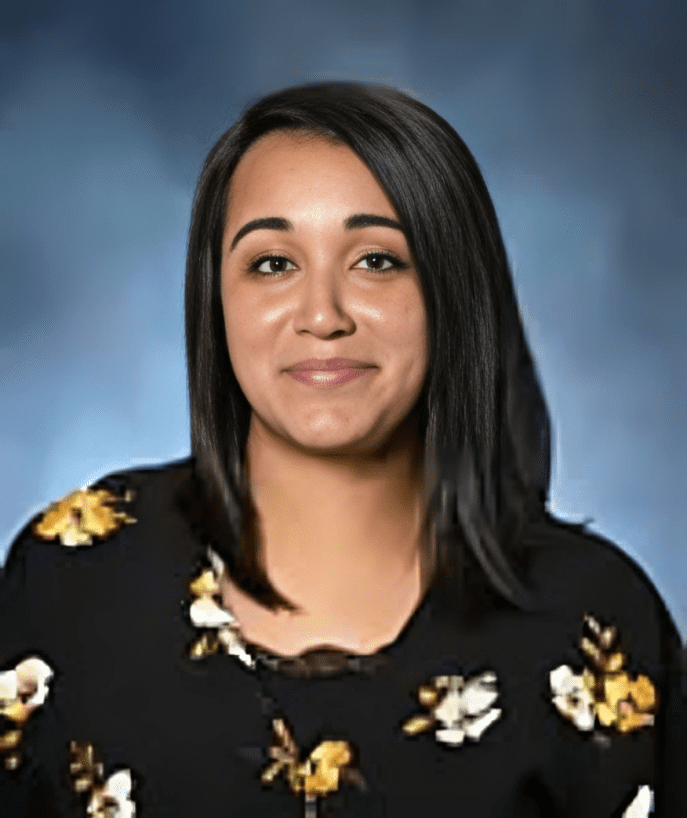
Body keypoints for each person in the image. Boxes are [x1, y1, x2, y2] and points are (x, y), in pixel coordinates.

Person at [1, 82, 684, 817]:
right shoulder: (73, 579)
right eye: (271, 263)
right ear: (214, 299)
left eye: (376, 261)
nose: (321, 315)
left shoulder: (595, 625)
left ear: (454, 292)